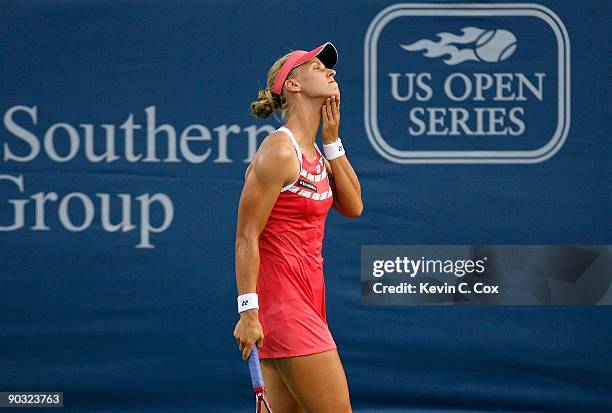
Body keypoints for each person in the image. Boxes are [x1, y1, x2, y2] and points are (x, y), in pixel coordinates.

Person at [233, 42, 363, 413]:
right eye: (318, 67)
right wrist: (248, 313)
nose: (331, 71)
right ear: (293, 84)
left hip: (308, 300)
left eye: (329, 68)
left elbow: (353, 206)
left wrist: (332, 141)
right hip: (283, 308)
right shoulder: (279, 151)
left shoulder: (318, 157)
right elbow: (246, 236)